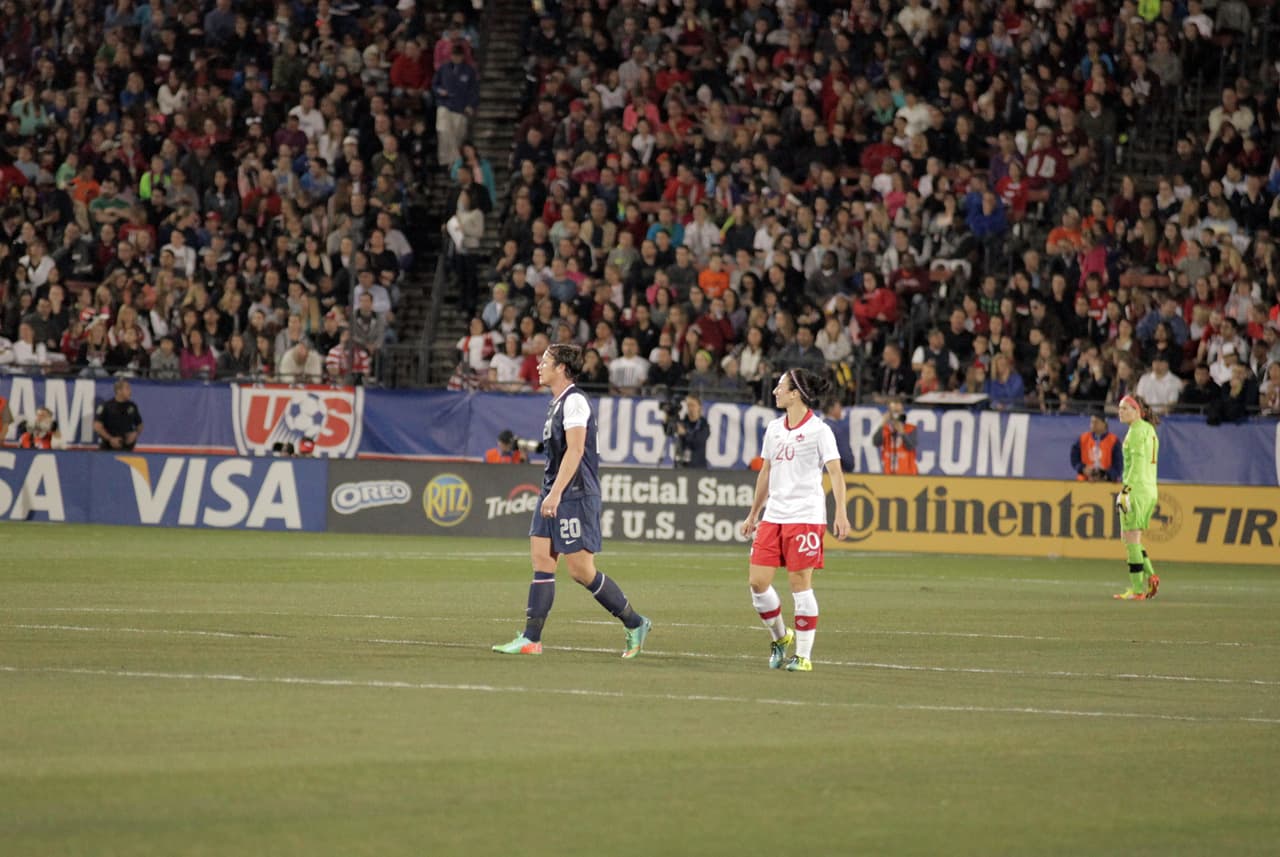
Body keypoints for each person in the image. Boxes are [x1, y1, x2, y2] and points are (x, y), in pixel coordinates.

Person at [493, 344, 652, 658]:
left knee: (580, 570)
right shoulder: (556, 403)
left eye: (545, 361)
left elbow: (576, 451)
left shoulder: (575, 400)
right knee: (541, 560)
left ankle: (635, 622)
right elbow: (555, 447)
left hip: (574, 493)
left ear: (562, 368)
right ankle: (531, 638)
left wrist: (555, 493)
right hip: (554, 488)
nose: (539, 366)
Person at [740, 368, 851, 673]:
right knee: (757, 583)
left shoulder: (820, 430)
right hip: (774, 515)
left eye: (780, 387)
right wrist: (754, 513)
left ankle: (803, 656)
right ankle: (780, 637)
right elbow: (766, 472)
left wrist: (840, 511)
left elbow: (836, 473)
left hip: (805, 517)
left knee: (799, 585)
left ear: (795, 394)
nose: (775, 391)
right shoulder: (774, 428)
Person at [1113, 395, 1161, 601]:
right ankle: (1152, 576)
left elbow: (1137, 465)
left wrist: (1126, 491)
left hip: (1136, 489)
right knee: (1131, 537)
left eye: (1125, 408)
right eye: (1120, 408)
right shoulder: (1149, 429)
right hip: (1150, 489)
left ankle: (1137, 590)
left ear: (1136, 410)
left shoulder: (1134, 433)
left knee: (1130, 539)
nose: (1120, 412)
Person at [1070, 411, 1122, 482]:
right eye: (1091, 422)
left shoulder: (1114, 441)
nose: (1092, 425)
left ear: (1104, 424)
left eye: (1096, 422)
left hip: (1106, 483)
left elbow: (1118, 466)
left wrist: (1105, 475)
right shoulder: (1083, 439)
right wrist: (1083, 469)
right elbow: (1074, 459)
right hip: (1084, 482)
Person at [872, 396, 918, 474]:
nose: (896, 415)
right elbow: (876, 442)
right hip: (889, 473)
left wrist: (902, 432)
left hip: (908, 474)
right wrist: (882, 424)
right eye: (894, 412)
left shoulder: (910, 428)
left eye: (898, 412)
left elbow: (911, 446)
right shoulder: (885, 429)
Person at [93, 378, 143, 450]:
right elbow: (97, 426)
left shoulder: (132, 406)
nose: (130, 391)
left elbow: (140, 425)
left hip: (127, 448)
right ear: (119, 391)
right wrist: (110, 439)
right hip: (108, 448)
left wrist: (135, 434)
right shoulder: (106, 406)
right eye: (127, 389)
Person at [674, 394, 710, 468]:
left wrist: (685, 433)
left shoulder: (703, 425)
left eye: (693, 405)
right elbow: (668, 431)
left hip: (697, 467)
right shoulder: (683, 422)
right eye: (688, 405)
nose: (690, 408)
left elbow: (698, 441)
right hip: (681, 465)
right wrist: (667, 417)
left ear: (699, 407)